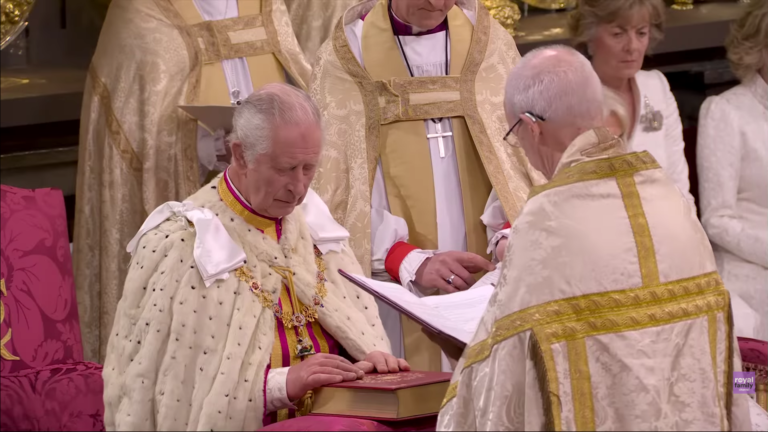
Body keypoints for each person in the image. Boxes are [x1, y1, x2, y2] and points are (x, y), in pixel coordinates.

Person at [437, 45, 753, 431]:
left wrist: (462, 355)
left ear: (531, 126)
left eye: (514, 135)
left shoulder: (547, 219)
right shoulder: (669, 199)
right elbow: (723, 355)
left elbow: (503, 373)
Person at [102, 84, 408, 431]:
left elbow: (358, 331)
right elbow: (176, 393)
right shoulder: (185, 243)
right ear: (241, 154)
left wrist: (373, 361)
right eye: (285, 169)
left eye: (309, 168)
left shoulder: (317, 226)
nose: (299, 188)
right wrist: (283, 384)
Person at [74, 0, 312, 362]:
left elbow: (302, 85)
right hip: (196, 217)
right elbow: (134, 130)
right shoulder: (140, 13)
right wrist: (199, 145)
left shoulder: (267, 5)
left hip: (274, 215)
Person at [309, 0, 540, 372]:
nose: (438, 3)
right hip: (398, 289)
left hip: (491, 279)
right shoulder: (347, 54)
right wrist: (408, 260)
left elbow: (522, 159)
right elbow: (333, 188)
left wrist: (510, 233)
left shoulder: (488, 45)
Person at [569, 0, 694, 205]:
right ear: (588, 36)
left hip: (666, 225)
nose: (632, 47)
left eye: (641, 33)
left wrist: (690, 233)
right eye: (618, 34)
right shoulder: (571, 98)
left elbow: (679, 184)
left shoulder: (656, 86)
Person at [698, 0, 768, 342]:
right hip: (748, 281)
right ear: (760, 49)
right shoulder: (725, 112)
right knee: (748, 390)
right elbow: (716, 219)